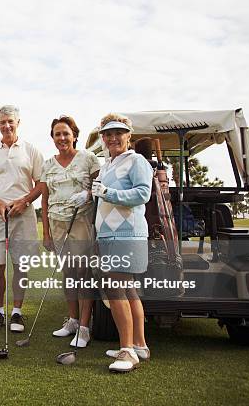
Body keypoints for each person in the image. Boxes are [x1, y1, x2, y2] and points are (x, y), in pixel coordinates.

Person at [91, 113, 153, 372]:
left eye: (119, 132)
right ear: (103, 138)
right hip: (108, 235)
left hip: (126, 235)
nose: (113, 137)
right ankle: (139, 345)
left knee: (116, 290)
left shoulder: (137, 160)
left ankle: (127, 352)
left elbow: (143, 193)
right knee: (128, 291)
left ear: (129, 136)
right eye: (108, 133)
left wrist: (108, 192)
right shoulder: (107, 165)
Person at [0, 105, 44, 332]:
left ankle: (17, 312)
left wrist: (24, 201)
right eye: (2, 122)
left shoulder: (31, 150)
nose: (6, 125)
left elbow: (41, 183)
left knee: (20, 266)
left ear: (18, 122)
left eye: (10, 121)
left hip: (23, 214)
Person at [40, 115, 100, 348]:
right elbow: (44, 201)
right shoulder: (48, 164)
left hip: (82, 221)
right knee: (68, 274)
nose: (62, 138)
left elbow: (100, 187)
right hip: (57, 224)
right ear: (53, 138)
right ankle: (73, 321)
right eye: (57, 134)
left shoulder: (88, 158)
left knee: (83, 274)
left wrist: (88, 195)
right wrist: (46, 233)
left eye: (66, 133)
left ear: (75, 135)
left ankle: (84, 329)